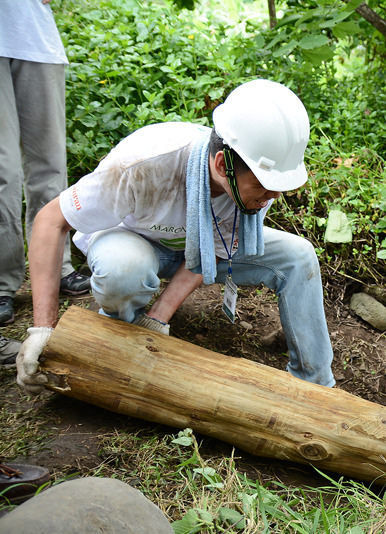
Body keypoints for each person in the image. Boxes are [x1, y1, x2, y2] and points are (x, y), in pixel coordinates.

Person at [15, 78, 336, 393]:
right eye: (265, 186)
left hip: (194, 251)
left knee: (298, 257)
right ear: (223, 165)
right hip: (132, 242)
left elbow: (212, 246)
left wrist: (159, 318)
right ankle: (120, 327)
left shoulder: (257, 183)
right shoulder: (143, 164)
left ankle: (316, 386)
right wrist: (43, 329)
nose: (273, 196)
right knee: (123, 269)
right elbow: (50, 220)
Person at [0, 0, 91, 365]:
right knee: (3, 173)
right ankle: (3, 283)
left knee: (50, 166)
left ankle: (58, 268)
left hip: (34, 35)